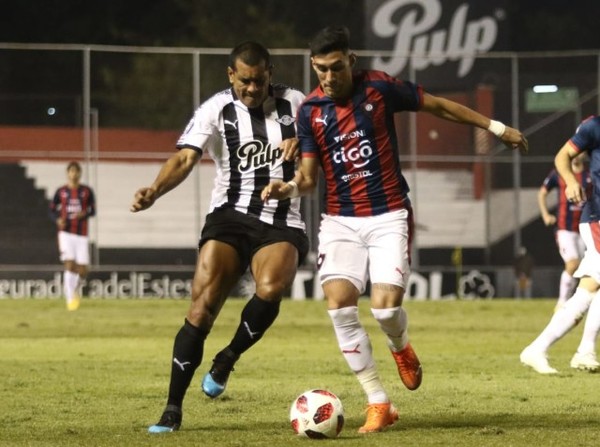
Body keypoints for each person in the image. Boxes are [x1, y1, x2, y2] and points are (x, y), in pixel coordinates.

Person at [262, 26, 528, 433]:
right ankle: (379, 402)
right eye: (320, 71)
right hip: (340, 221)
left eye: (335, 68)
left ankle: (400, 346)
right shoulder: (310, 111)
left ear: (350, 61)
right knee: (340, 308)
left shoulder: (380, 89)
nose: (329, 78)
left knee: (385, 309)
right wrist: (289, 187)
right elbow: (309, 178)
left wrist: (495, 128)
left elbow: (438, 106)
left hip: (388, 214)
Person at [131, 41, 309, 433]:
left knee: (271, 287)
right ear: (231, 76)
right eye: (244, 81)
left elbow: (325, 139)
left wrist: (305, 142)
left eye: (259, 80)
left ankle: (228, 357)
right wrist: (154, 191)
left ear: (270, 74)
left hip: (281, 218)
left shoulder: (295, 103)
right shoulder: (216, 109)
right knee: (201, 308)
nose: (252, 88)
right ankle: (172, 409)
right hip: (229, 217)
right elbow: (185, 157)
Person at [520, 115, 600, 374]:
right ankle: (576, 349)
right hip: (597, 217)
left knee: (590, 288)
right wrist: (572, 181)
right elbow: (562, 157)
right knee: (589, 285)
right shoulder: (594, 126)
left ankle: (570, 350)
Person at [537, 156, 590, 306]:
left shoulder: (590, 175)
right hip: (565, 230)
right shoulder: (559, 173)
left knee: (582, 269)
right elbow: (542, 193)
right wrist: (545, 214)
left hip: (585, 230)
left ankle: (573, 302)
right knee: (572, 264)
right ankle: (561, 303)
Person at [49, 161, 96, 311]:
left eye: (76, 171)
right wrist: (57, 219)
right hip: (66, 232)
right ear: (68, 173)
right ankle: (70, 297)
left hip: (82, 233)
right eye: (71, 171)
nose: (74, 174)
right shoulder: (61, 191)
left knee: (83, 269)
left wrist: (85, 213)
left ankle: (74, 289)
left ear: (79, 173)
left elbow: (93, 210)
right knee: (69, 264)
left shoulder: (87, 191)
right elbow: (51, 209)